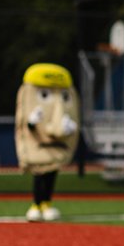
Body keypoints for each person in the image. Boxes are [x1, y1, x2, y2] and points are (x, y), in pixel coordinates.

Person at [14, 63, 80, 222]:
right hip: (40, 146)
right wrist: (32, 122)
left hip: (55, 147)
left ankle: (46, 204)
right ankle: (37, 204)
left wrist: (68, 128)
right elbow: (27, 125)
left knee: (51, 176)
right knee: (39, 175)